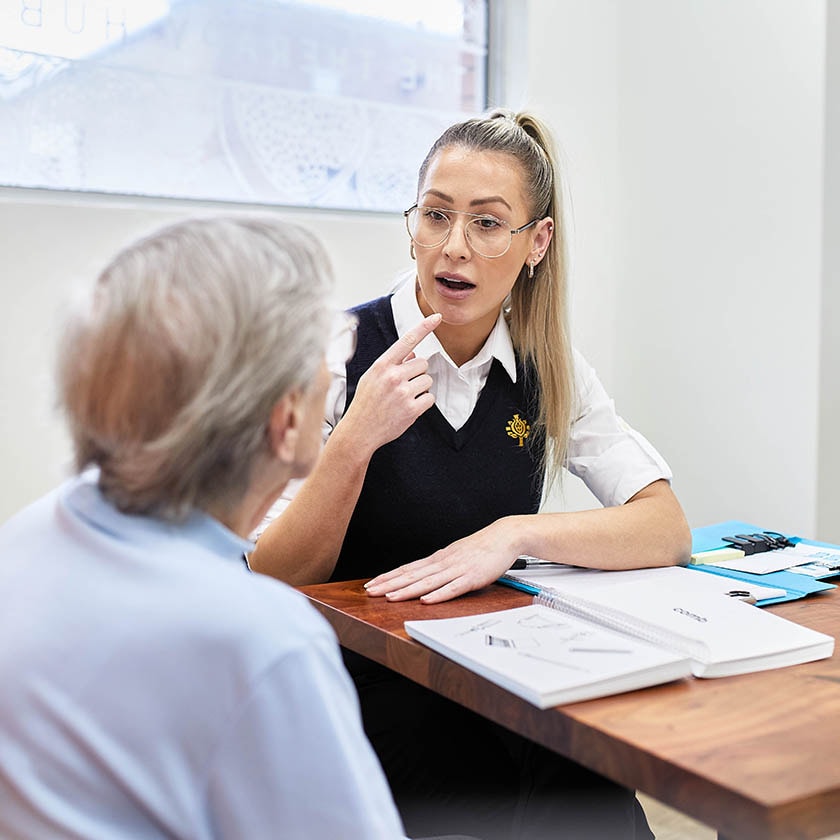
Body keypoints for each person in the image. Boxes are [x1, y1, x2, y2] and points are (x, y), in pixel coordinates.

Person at [250, 110, 691, 839]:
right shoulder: (335, 352)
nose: (453, 247)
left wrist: (516, 534)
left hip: (501, 675)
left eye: (487, 224)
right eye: (436, 216)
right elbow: (271, 577)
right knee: (491, 803)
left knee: (597, 799)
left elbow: (664, 526)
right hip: (363, 685)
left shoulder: (550, 367)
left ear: (536, 242)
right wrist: (353, 440)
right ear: (412, 226)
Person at [0, 217, 412, 839]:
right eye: (326, 354)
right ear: (286, 419)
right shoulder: (262, 641)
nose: (336, 370)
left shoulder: (28, 536)